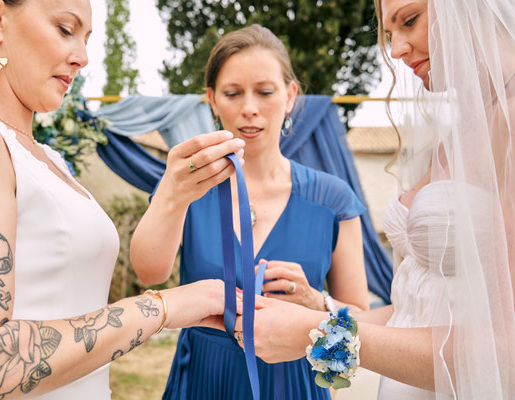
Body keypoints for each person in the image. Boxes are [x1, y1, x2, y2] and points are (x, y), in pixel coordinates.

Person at [0, 1, 245, 399]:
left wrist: (174, 194)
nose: (83, 58)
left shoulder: (49, 159)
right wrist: (165, 308)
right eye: (65, 29)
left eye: (87, 39)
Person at [238, 0, 515, 398]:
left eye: (410, 21)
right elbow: (418, 305)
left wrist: (315, 335)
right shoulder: (461, 132)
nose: (397, 50)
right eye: (389, 35)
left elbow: (504, 352)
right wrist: (319, 308)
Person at [130, 24, 370, 399]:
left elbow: (361, 318)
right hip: (203, 382)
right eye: (232, 93)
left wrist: (317, 303)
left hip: (295, 384)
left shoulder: (332, 198)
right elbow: (149, 271)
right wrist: (172, 195)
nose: (249, 109)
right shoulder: (188, 187)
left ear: (290, 96)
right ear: (211, 99)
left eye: (265, 92)